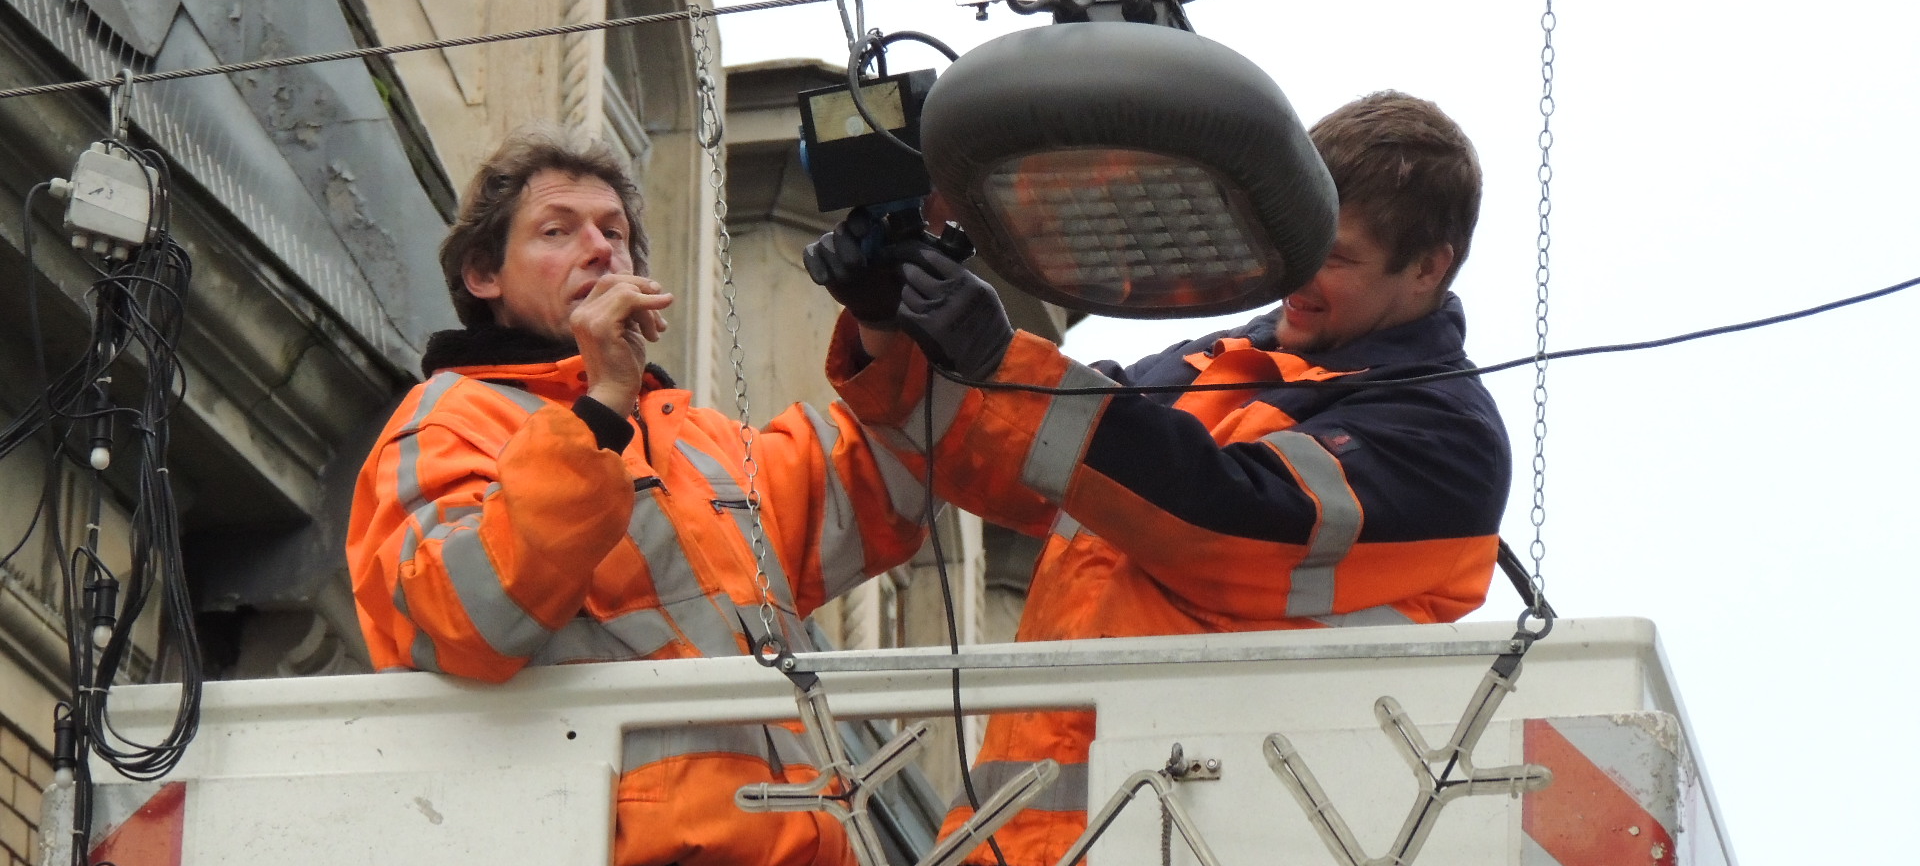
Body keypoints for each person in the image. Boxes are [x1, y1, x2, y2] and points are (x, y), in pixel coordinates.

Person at [810, 90, 1512, 865]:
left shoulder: (1444, 439)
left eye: (1337, 258)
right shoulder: (1209, 367)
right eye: (1293, 242)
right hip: (1018, 847)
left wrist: (1003, 362)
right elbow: (996, 457)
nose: (1299, 276)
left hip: (1213, 845)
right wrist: (888, 328)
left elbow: (1224, 522)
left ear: (1429, 267)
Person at [347, 124, 933, 866]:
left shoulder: (700, 440)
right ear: (484, 275)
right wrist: (599, 410)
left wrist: (885, 322)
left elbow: (898, 480)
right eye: (558, 230)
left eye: (615, 232)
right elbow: (464, 621)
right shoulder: (445, 419)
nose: (600, 249)